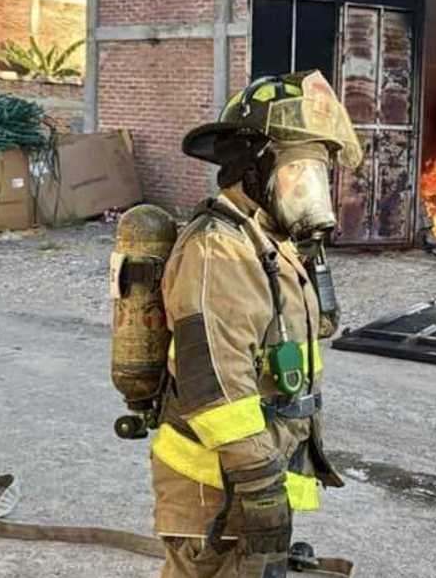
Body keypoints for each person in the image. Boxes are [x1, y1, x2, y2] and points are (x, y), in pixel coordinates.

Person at [151, 71, 362, 577]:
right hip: (217, 491)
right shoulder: (218, 250)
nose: (313, 189)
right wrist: (261, 485)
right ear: (252, 166)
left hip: (246, 478)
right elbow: (217, 386)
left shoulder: (269, 242)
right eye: (300, 170)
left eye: (319, 174)